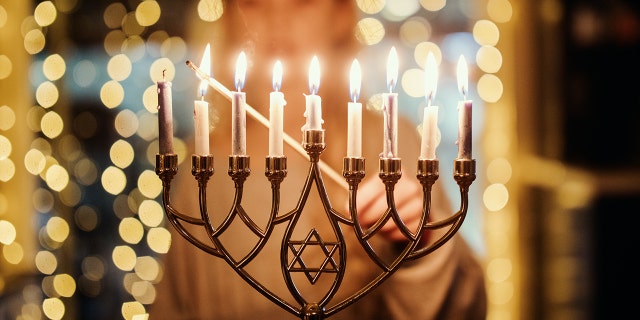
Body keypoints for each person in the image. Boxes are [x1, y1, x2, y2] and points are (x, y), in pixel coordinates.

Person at [150, 0, 486, 319]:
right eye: (254, 1)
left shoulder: (389, 145)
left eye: (302, 1)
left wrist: (418, 241)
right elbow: (173, 305)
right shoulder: (206, 164)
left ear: (340, 14)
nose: (277, 18)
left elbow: (466, 307)